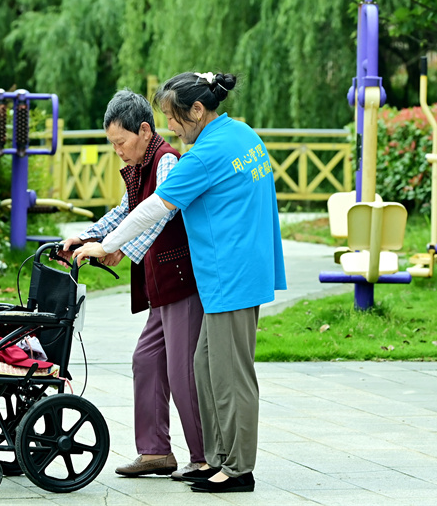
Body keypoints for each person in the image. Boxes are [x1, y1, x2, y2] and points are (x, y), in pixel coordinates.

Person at [73, 72, 287, 494]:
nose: (170, 127)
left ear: (197, 110)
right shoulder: (241, 135)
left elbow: (154, 208)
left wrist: (106, 245)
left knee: (230, 377)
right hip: (237, 269)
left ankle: (238, 469)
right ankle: (215, 460)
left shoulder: (203, 156)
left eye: (173, 117)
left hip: (231, 274)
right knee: (206, 369)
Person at [60, 89, 206, 481]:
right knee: (146, 360)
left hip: (181, 285)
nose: (118, 151)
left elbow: (157, 215)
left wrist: (116, 248)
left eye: (120, 142)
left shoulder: (167, 161)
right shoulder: (143, 164)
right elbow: (126, 210)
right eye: (112, 145)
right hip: (162, 289)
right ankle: (156, 452)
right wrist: (85, 237)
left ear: (143, 130)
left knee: (181, 373)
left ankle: (204, 457)